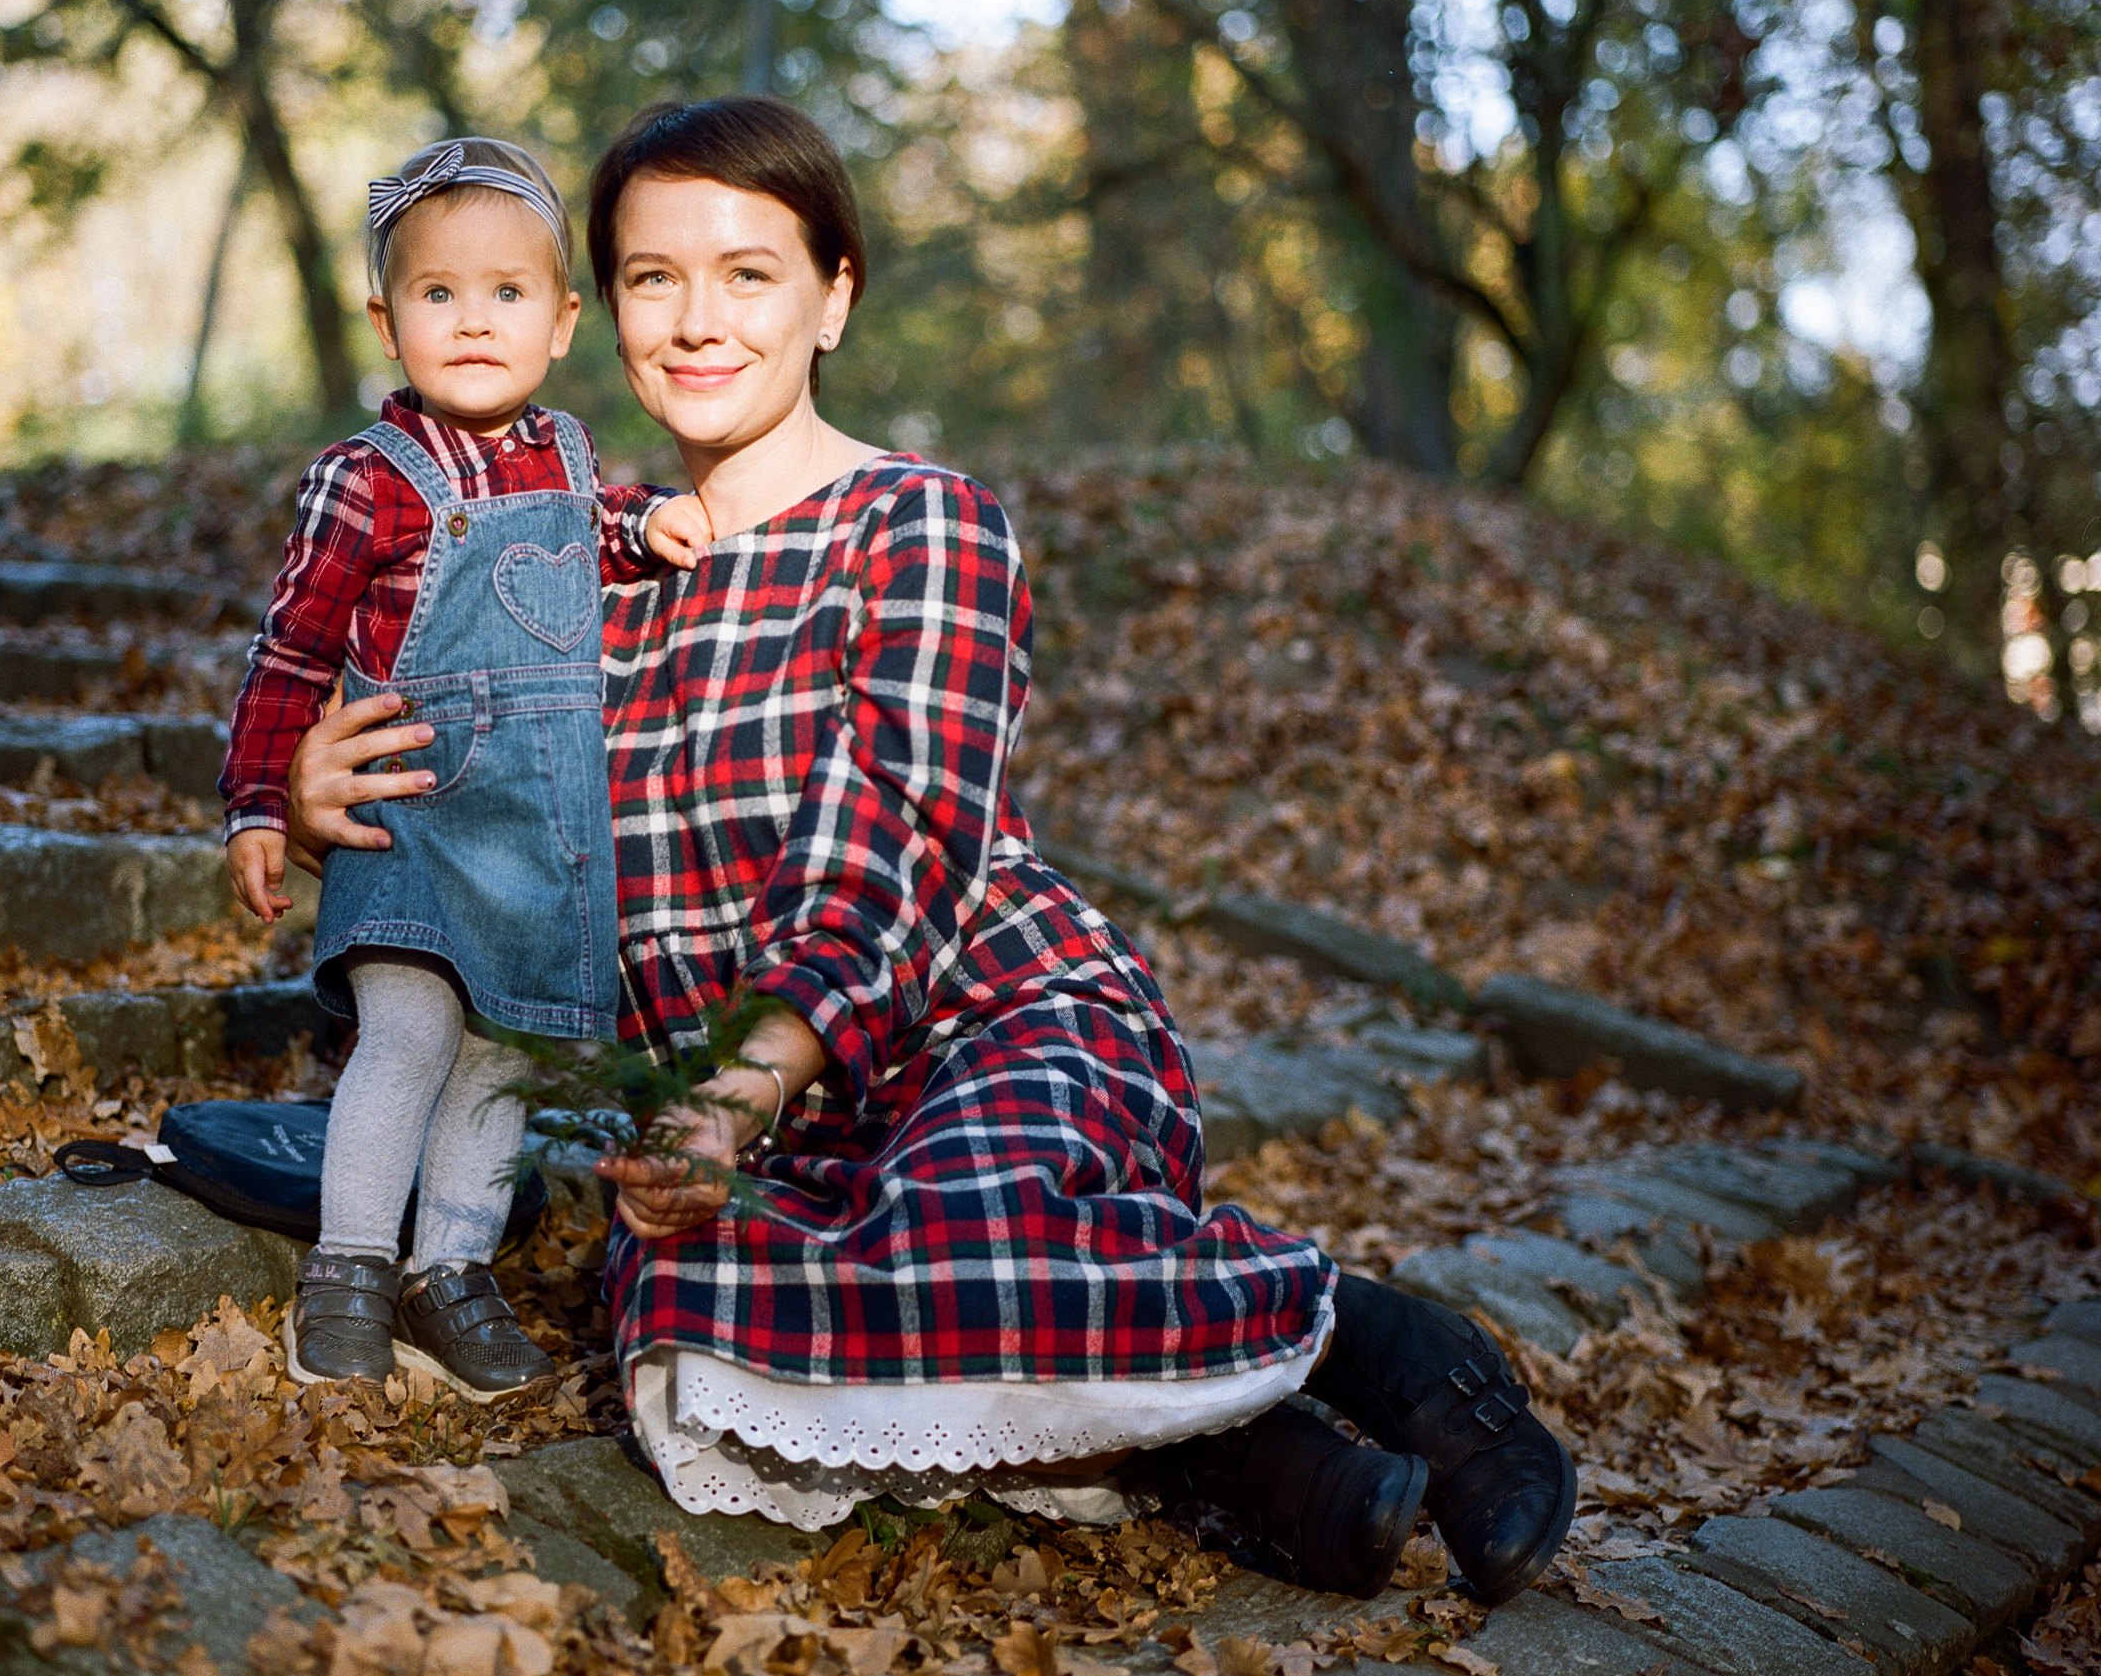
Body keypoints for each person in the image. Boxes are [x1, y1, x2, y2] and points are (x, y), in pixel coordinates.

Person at [281, 100, 1577, 1604]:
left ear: (835, 295)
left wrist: (738, 1090)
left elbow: (892, 843)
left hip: (968, 1018)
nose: (697, 320)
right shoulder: (573, 572)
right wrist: (337, 803)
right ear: (603, 308)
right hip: (740, 1118)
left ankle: (1372, 1343)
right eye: (652, 276)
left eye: (749, 273)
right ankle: (1234, 1449)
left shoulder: (922, 521)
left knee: (977, 1223)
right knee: (695, 1346)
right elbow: (481, 858)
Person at [221, 135, 710, 1400]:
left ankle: (452, 1268)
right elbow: (290, 648)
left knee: (505, 1054)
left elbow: (600, 539)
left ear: (559, 322)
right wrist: (259, 800)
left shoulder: (572, 460)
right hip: (416, 821)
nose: (474, 320)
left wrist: (652, 526)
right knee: (408, 1032)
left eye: (507, 295)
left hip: (539, 831)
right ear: (388, 323)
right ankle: (348, 1268)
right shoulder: (366, 481)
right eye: (439, 294)